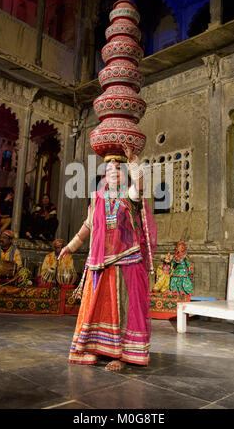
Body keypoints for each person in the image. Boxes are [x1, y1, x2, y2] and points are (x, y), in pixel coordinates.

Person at [59, 147, 157, 371]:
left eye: (119, 169)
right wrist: (71, 246)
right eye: (109, 168)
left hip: (126, 260)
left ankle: (121, 355)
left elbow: (140, 185)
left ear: (125, 173)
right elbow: (88, 225)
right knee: (98, 306)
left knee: (123, 309)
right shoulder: (98, 197)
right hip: (101, 261)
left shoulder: (130, 194)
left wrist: (134, 162)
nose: (114, 171)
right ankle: (96, 348)